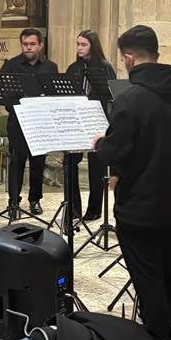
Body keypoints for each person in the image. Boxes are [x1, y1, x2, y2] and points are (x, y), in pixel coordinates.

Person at [92, 25, 171, 340]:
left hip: (139, 208)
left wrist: (100, 145)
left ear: (129, 58)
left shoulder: (131, 100)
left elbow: (115, 153)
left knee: (149, 281)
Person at [0, 28, 58, 217]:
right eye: (25, 44)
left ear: (40, 45)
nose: (28, 48)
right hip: (18, 121)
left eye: (32, 44)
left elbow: (53, 95)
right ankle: (13, 202)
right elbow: (1, 92)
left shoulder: (50, 67)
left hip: (40, 123)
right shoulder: (12, 66)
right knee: (16, 162)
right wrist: (16, 107)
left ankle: (35, 200)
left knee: (38, 162)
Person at [65, 30, 117, 221]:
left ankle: (94, 210)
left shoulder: (105, 68)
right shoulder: (73, 68)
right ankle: (73, 209)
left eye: (83, 44)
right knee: (69, 162)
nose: (79, 48)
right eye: (77, 44)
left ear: (93, 46)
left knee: (97, 167)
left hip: (97, 120)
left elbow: (112, 96)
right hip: (76, 121)